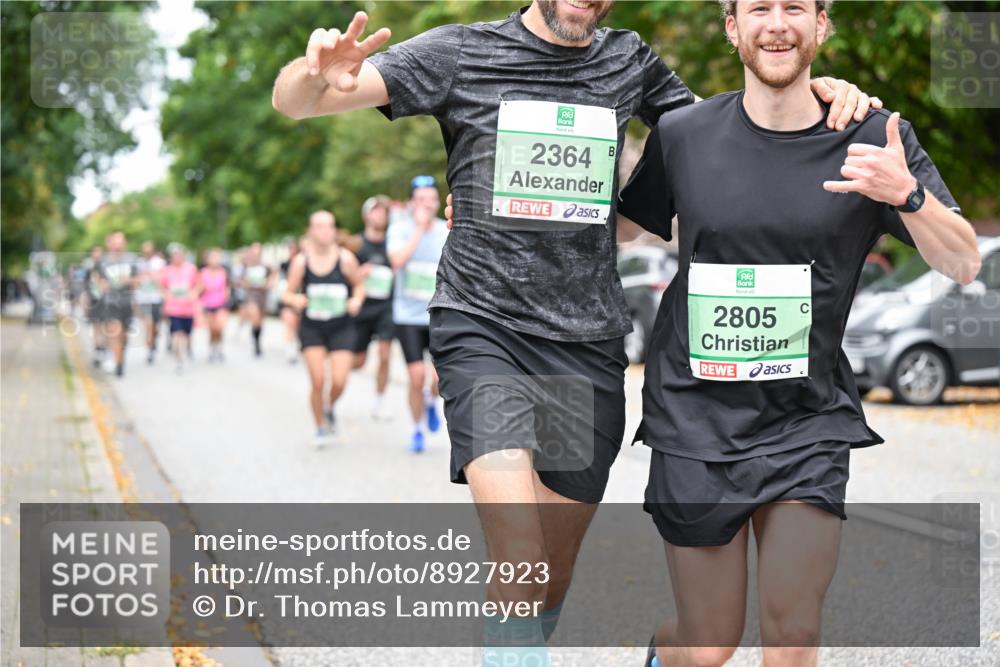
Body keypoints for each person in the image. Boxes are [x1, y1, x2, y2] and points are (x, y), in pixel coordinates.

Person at [271, 4, 876, 660]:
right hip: (486, 329)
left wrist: (820, 92)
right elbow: (300, 104)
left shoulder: (628, 62)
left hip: (585, 346)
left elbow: (736, 132)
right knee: (521, 550)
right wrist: (312, 73)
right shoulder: (461, 53)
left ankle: (524, 636)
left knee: (547, 574)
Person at [616, 2, 981, 666]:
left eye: (795, 7)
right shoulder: (685, 134)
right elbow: (613, 231)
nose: (776, 22)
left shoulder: (874, 138)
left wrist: (908, 195)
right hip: (693, 416)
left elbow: (963, 260)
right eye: (759, 7)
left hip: (805, 421)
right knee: (706, 643)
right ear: (733, 27)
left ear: (822, 25)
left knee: (792, 633)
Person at [282, 211, 365, 447]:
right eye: (319, 226)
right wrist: (294, 300)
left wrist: (356, 301)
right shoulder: (301, 261)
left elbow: (359, 287)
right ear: (310, 230)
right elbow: (287, 292)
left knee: (339, 380)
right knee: (318, 380)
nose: (325, 231)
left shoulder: (346, 258)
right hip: (313, 327)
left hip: (341, 326)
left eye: (329, 226)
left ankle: (329, 405)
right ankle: (319, 426)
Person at [386, 178, 448, 453]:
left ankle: (431, 401)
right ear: (412, 202)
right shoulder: (399, 229)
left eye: (431, 199)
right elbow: (397, 261)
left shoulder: (447, 230)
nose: (426, 204)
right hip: (407, 316)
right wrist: (419, 231)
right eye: (420, 199)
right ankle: (416, 429)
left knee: (438, 377)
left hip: (437, 314)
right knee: (415, 376)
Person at [351, 194, 396, 420]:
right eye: (376, 211)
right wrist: (360, 274)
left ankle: (381, 400)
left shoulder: (394, 243)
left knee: (385, 354)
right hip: (363, 308)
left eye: (384, 212)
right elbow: (346, 276)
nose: (380, 215)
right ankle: (337, 371)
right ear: (366, 215)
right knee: (358, 362)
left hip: (386, 306)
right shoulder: (356, 244)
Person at [93, 232, 138, 377]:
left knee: (124, 336)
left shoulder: (132, 259)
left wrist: (128, 281)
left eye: (121, 242)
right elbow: (97, 279)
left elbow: (138, 280)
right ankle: (118, 365)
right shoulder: (103, 261)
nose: (118, 245)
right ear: (110, 244)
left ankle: (120, 358)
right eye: (115, 242)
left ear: (124, 244)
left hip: (127, 302)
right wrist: (102, 285)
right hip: (110, 302)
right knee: (114, 332)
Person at [161, 243, 201, 374]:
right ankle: (179, 360)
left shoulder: (191, 269)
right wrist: (167, 295)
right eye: (174, 255)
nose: (177, 257)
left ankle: (187, 348)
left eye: (179, 254)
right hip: (173, 308)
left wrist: (194, 293)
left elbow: (199, 284)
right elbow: (162, 286)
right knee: (178, 333)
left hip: (188, 307)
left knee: (186, 334)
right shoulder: (167, 270)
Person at [238, 242, 273, 357]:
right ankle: (256, 343)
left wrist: (267, 284)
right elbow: (240, 280)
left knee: (260, 321)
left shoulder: (266, 266)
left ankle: (257, 339)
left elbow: (273, 277)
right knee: (255, 316)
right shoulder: (246, 266)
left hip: (262, 295)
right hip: (251, 295)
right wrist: (247, 283)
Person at [136, 241, 166, 364]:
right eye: (144, 251)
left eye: (149, 251)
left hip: (156, 298)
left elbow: (162, 279)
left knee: (155, 326)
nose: (146, 253)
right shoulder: (139, 263)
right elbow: (136, 280)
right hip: (143, 299)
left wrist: (151, 274)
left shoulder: (160, 263)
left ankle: (154, 341)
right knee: (148, 325)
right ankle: (149, 350)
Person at [200, 248, 230, 362]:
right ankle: (212, 349)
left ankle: (219, 347)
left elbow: (226, 287)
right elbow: (200, 287)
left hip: (221, 303)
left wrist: (226, 296)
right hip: (208, 303)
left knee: (219, 327)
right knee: (212, 329)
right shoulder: (203, 272)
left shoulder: (223, 271)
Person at [279, 238, 304, 364]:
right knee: (289, 324)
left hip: (301, 298)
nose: (291, 251)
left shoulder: (304, 262)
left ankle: (298, 345)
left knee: (298, 325)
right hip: (289, 298)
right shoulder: (284, 264)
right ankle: (290, 350)